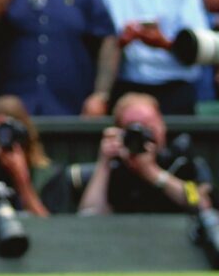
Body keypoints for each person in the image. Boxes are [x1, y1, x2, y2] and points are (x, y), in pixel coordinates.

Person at [79, 91, 213, 215]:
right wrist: (104, 164)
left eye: (149, 126)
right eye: (134, 129)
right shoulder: (114, 169)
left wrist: (152, 172)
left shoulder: (182, 164)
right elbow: (89, 215)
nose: (144, 135)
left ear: (162, 126)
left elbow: (201, 203)